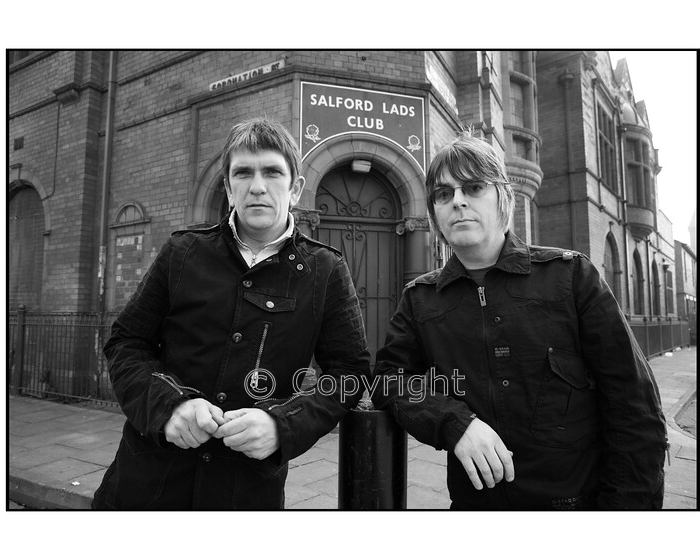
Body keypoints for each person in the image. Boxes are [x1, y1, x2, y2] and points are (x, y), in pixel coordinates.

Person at [371, 132, 667, 510]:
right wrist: (453, 422)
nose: (458, 201)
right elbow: (389, 379)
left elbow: (634, 409)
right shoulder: (421, 299)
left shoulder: (571, 277)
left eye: (473, 187)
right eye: (443, 194)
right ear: (434, 214)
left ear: (503, 198)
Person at [92, 117, 370, 510]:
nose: (257, 186)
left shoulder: (325, 271)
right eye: (243, 173)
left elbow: (349, 374)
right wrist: (167, 405)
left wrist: (282, 425)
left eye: (273, 172)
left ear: (295, 189)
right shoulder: (183, 252)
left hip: (246, 492)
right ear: (228, 187)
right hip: (146, 486)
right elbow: (126, 343)